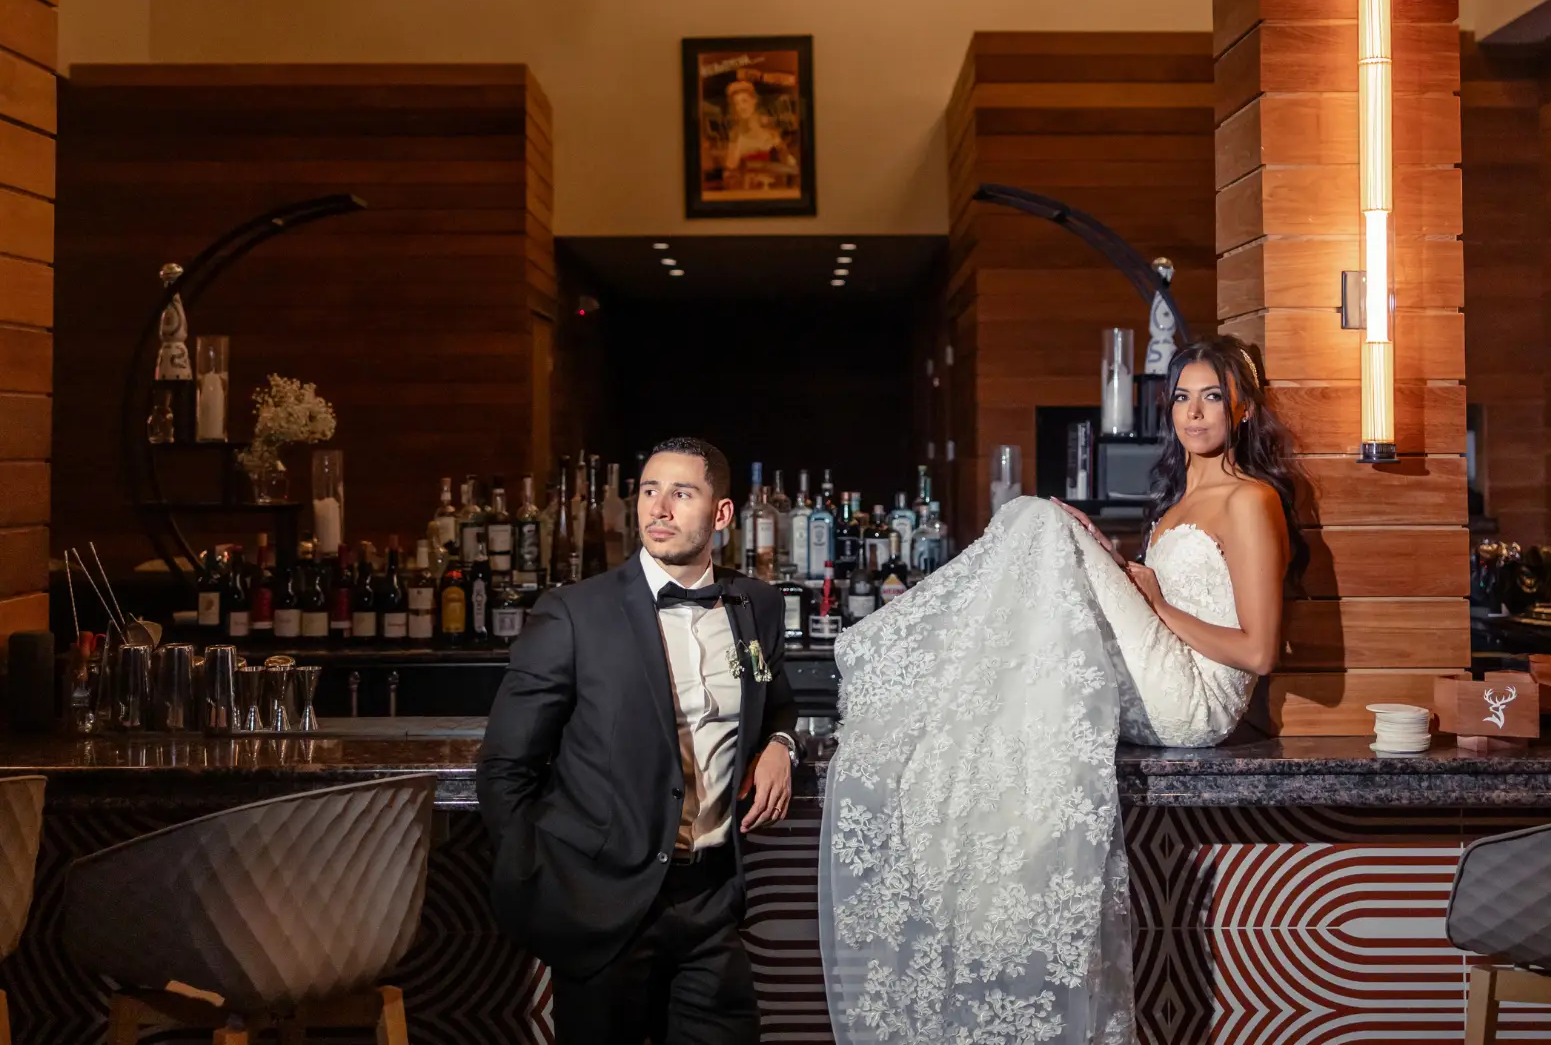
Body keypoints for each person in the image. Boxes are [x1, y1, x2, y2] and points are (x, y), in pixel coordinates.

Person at [818, 336, 1305, 1044]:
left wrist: (1147, 595)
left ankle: (894, 661)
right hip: (1164, 665)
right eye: (1182, 397)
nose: (1194, 413)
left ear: (1245, 407)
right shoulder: (1177, 500)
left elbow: (1258, 650)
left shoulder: (1252, 500)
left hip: (1196, 701)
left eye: (1212, 397)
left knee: (1039, 521)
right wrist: (1118, 567)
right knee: (1044, 529)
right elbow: (1156, 600)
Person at [478, 436, 800, 1045]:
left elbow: (777, 698)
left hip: (711, 900)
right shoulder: (574, 612)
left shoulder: (757, 604)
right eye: (650, 491)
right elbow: (504, 767)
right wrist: (541, 883)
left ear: (722, 514)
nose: (659, 507)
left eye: (682, 493)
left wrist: (782, 742)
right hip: (603, 907)